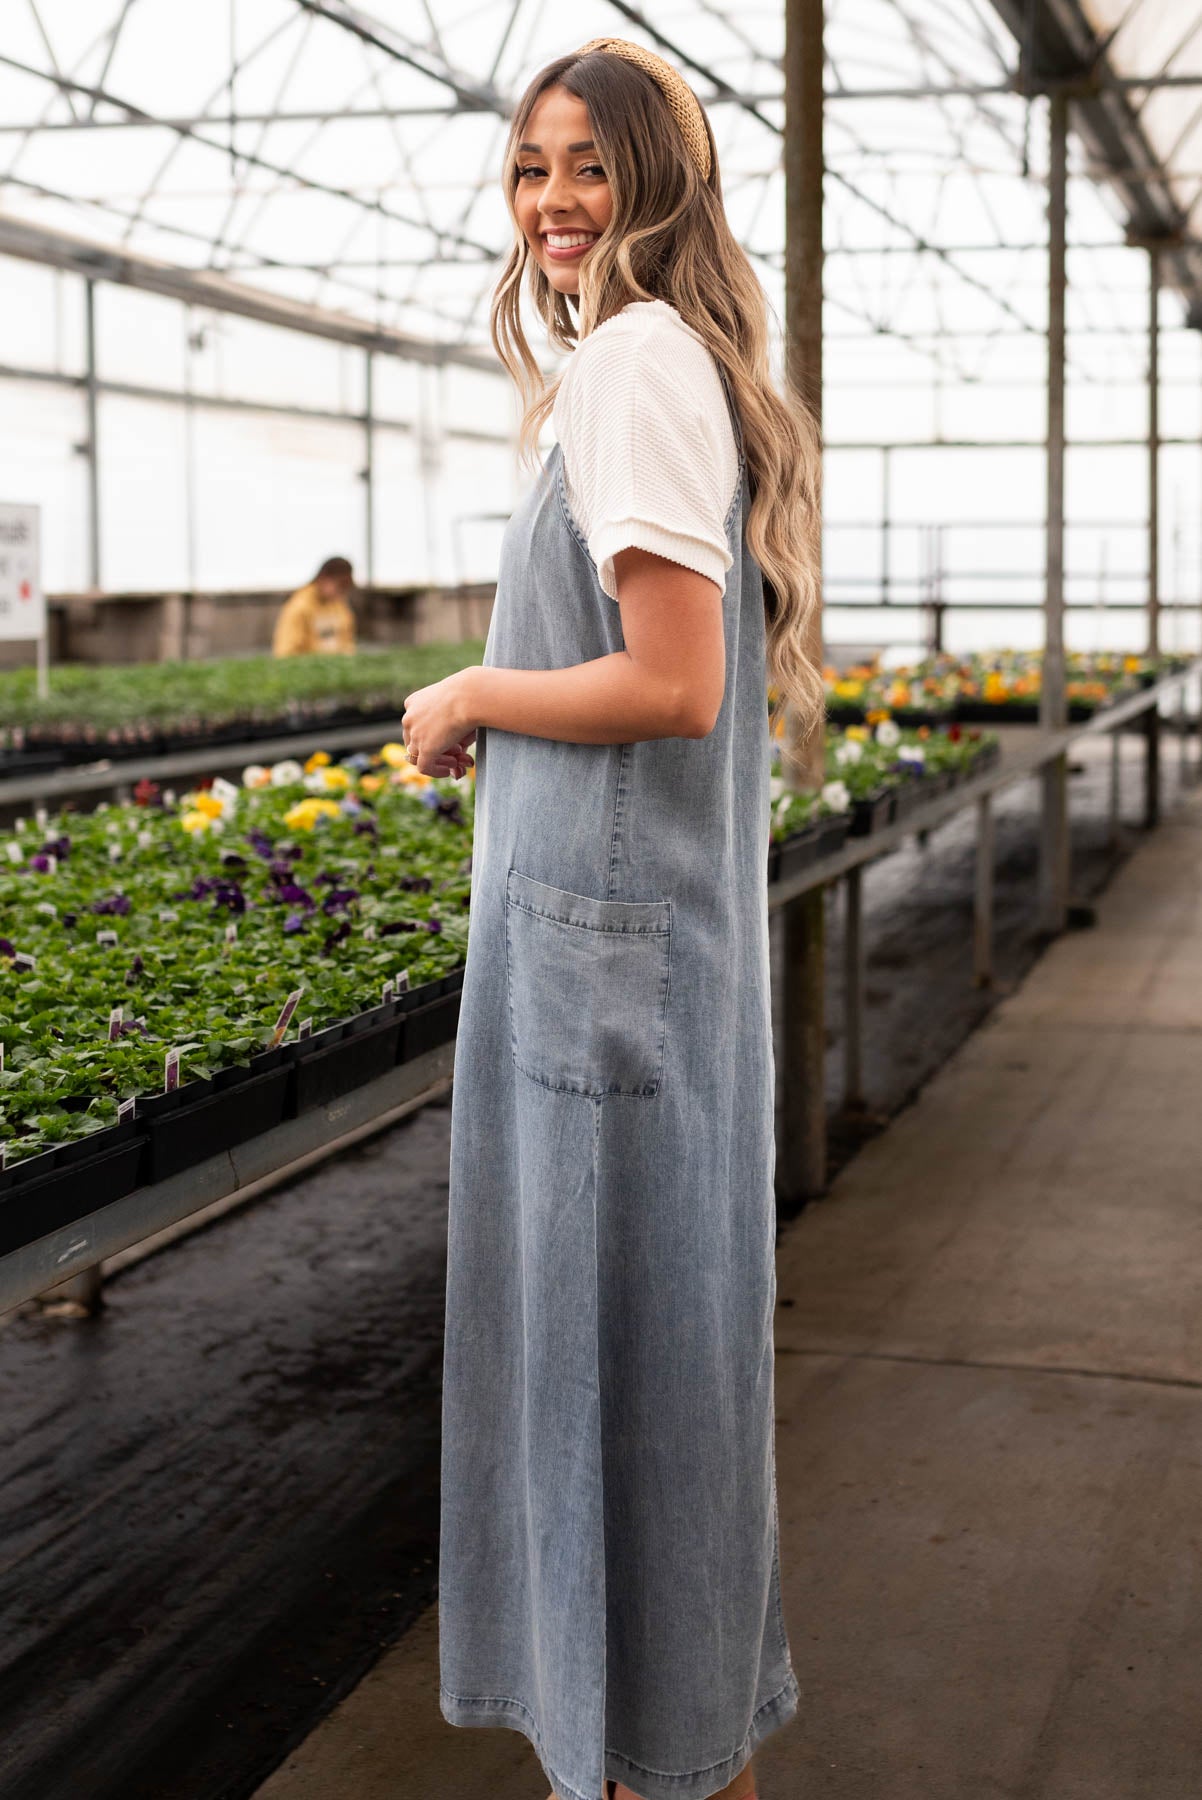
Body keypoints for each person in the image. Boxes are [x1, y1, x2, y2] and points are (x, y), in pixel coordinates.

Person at [400, 37, 823, 1800]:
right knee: (657, 1397)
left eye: (592, 167)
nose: (555, 204)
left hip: (605, 993)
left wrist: (473, 693)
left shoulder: (634, 365)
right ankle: (671, 1757)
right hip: (627, 970)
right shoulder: (657, 362)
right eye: (531, 170)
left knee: (608, 1395)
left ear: (666, 185)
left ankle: (642, 1766)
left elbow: (670, 681)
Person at [271, 555, 357, 656]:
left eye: (345, 587)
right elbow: (284, 653)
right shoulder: (299, 607)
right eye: (339, 585)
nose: (342, 592)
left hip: (333, 669)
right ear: (323, 578)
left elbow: (348, 642)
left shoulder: (339, 605)